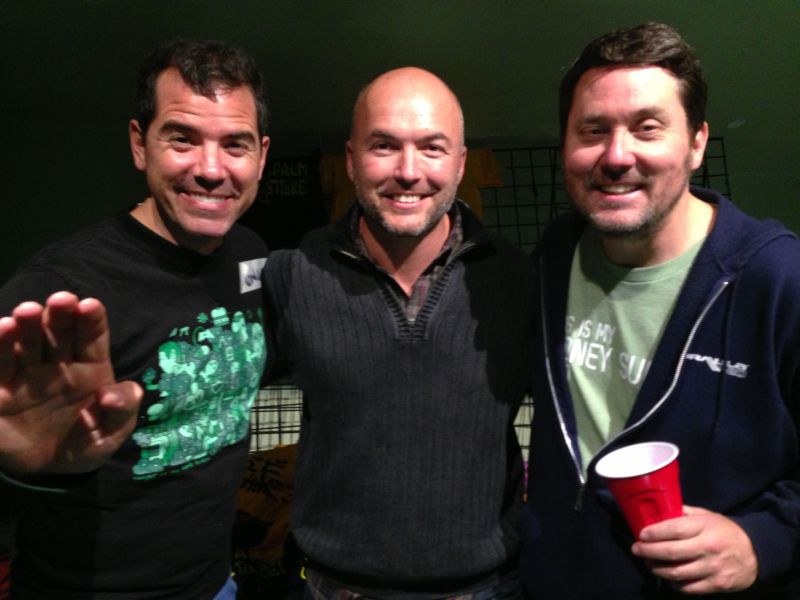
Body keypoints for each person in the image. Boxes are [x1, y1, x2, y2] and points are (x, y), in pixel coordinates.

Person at [518, 22, 800, 598]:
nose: (616, 156)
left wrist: (765, 540)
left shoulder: (778, 280)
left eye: (647, 128)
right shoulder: (555, 253)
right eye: (593, 130)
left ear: (697, 142)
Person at [0, 39, 270, 599]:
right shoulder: (58, 293)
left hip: (215, 586)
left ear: (261, 157)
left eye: (235, 145)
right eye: (182, 138)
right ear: (139, 144)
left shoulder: (250, 254)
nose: (211, 169)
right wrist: (25, 467)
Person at [263, 67, 535, 598]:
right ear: (350, 159)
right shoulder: (292, 275)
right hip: (331, 588)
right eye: (384, 146)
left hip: (487, 588)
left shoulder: (519, 280)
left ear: (460, 164)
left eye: (432, 148)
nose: (408, 172)